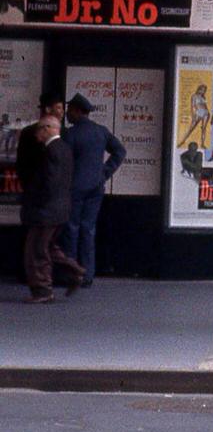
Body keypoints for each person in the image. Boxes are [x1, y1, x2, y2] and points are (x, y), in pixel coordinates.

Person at [19, 115, 85, 303]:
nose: (37, 134)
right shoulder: (64, 149)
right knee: (49, 247)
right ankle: (75, 272)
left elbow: (50, 182)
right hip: (60, 209)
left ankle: (43, 290)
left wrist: (36, 202)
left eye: (39, 129)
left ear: (48, 128)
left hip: (46, 211)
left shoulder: (51, 151)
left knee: (36, 250)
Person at [63, 93, 125, 287]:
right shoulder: (101, 131)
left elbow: (64, 162)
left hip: (74, 188)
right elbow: (120, 151)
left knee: (71, 229)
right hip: (96, 187)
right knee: (88, 229)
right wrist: (104, 173)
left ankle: (72, 272)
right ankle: (88, 274)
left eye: (69, 110)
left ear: (77, 111)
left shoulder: (70, 134)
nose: (67, 114)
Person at [180, 84, 211, 149]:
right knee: (191, 128)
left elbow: (205, 106)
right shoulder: (194, 96)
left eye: (204, 90)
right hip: (198, 112)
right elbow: (192, 106)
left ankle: (202, 144)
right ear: (199, 89)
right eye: (202, 90)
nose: (203, 91)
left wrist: (208, 113)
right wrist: (193, 114)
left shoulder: (203, 97)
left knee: (203, 129)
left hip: (205, 112)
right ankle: (183, 140)